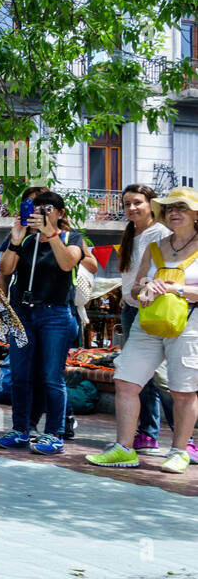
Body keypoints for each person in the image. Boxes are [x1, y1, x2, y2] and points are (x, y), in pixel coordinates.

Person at [88, 186, 198, 473]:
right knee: (126, 381)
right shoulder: (154, 247)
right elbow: (135, 286)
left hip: (189, 322)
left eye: (181, 207)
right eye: (170, 208)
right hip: (147, 321)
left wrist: (176, 288)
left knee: (183, 390)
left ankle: (178, 451)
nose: (174, 212)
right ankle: (124, 448)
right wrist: (146, 287)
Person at [0, 189, 84, 455]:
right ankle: (20, 429)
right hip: (23, 313)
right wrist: (16, 239)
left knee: (51, 376)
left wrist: (51, 234)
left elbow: (68, 263)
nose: (42, 213)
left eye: (48, 209)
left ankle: (54, 433)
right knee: (20, 375)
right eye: (37, 209)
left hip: (54, 314)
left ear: (60, 213)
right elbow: (5, 269)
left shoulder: (71, 238)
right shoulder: (27, 242)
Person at [115, 184, 169, 454]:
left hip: (156, 308)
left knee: (162, 377)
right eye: (127, 204)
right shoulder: (130, 234)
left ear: (151, 204)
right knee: (137, 376)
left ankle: (186, 439)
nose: (132, 208)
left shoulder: (161, 233)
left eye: (137, 202)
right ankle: (147, 433)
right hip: (132, 309)